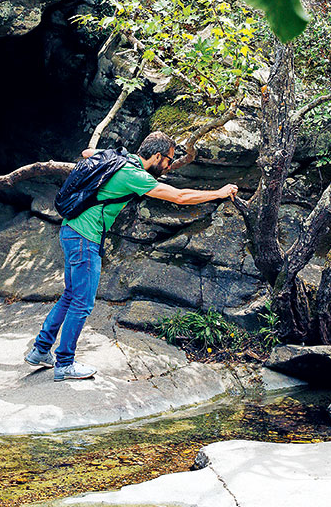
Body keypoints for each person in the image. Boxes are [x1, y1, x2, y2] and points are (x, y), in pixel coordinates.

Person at [24, 130, 239, 381]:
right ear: (156, 156)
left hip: (70, 230)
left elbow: (87, 153)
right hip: (85, 238)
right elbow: (179, 197)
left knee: (71, 295)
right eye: (168, 160)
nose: (168, 166)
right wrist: (218, 193)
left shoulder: (118, 158)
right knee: (82, 303)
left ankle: (41, 350)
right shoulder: (133, 175)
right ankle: (64, 363)